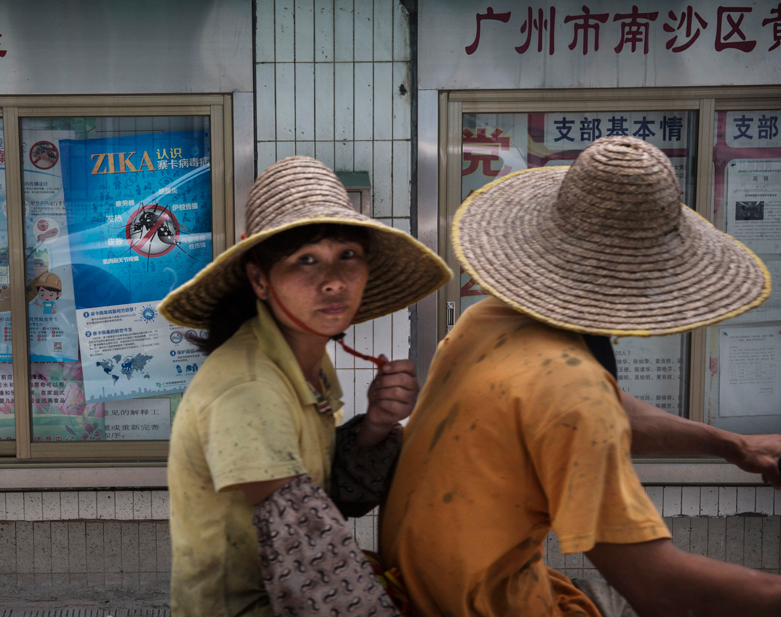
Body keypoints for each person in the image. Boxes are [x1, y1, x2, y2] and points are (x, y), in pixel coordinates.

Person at [380, 136, 781, 617]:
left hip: (417, 587)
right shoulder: (573, 393)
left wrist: (733, 445)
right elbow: (659, 589)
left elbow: (598, 411)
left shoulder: (487, 319)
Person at [157, 156, 451, 617]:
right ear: (260, 279)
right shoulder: (247, 389)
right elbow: (314, 561)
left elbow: (324, 491)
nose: (333, 282)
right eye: (306, 260)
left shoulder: (305, 362)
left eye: (347, 255)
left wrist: (375, 425)